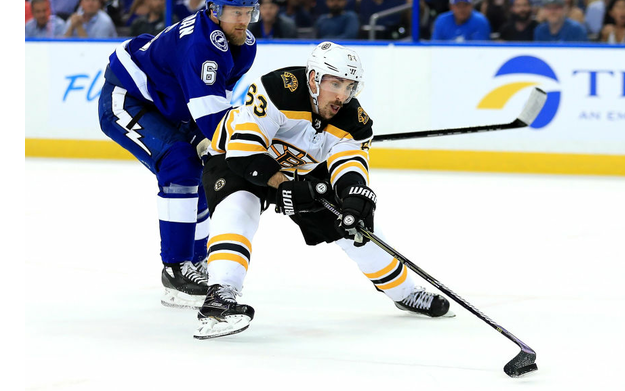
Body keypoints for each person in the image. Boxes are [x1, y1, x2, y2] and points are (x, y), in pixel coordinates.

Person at [192, 41, 453, 339]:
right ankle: (219, 296)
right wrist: (288, 187)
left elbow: (349, 167)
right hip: (234, 160)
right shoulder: (277, 89)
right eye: (336, 83)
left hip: (297, 170)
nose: (343, 95)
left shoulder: (355, 122)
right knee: (238, 207)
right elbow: (245, 153)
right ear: (314, 79)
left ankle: (404, 291)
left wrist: (354, 198)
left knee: (355, 226)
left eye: (350, 86)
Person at [97, 0, 260, 309]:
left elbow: (217, 105)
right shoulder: (201, 46)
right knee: (179, 163)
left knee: (200, 165)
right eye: (236, 12)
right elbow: (214, 120)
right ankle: (176, 269)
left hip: (164, 106)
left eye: (248, 12)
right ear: (214, 10)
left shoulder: (243, 45)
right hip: (126, 99)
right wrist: (258, 148)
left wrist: (223, 143)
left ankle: (195, 263)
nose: (243, 21)